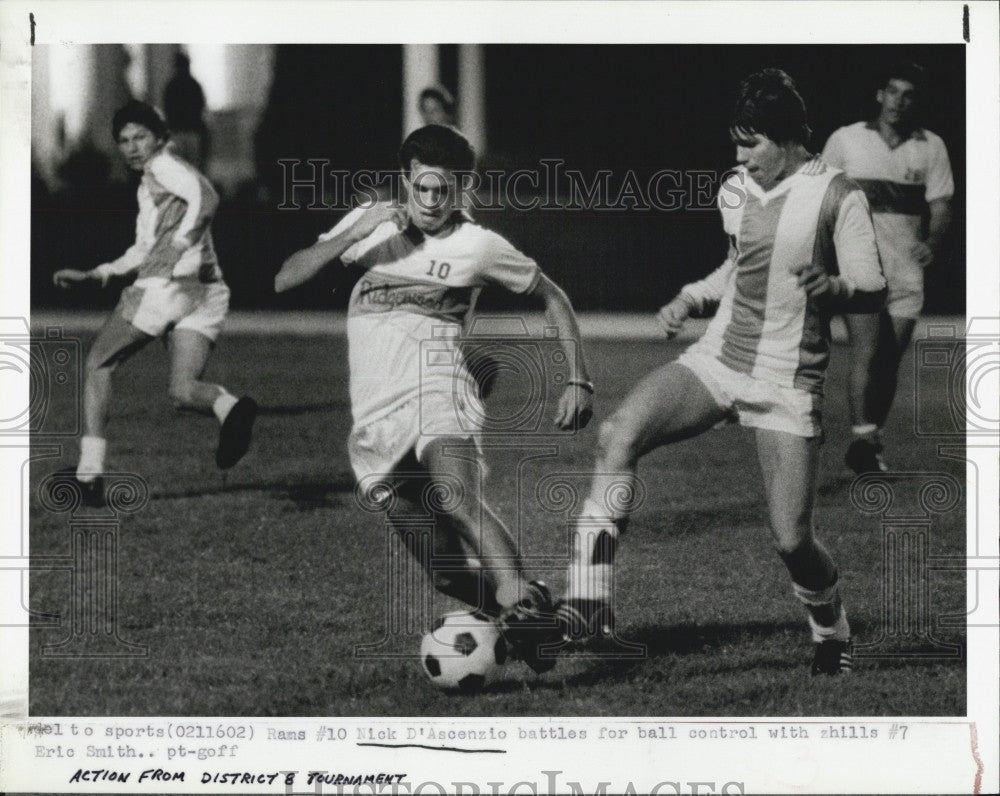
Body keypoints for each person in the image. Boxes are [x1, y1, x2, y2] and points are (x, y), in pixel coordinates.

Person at [556, 70, 886, 676]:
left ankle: (829, 625)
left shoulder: (839, 195)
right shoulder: (735, 189)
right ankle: (588, 599)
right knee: (618, 434)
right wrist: (690, 298)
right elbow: (738, 268)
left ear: (787, 139)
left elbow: (871, 283)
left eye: (751, 143)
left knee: (792, 541)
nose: (739, 156)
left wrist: (835, 284)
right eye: (736, 143)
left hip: (786, 380)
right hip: (718, 360)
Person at [275, 124, 593, 673]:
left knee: (456, 498)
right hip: (376, 424)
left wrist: (578, 379)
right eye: (420, 188)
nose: (430, 202)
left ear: (462, 188)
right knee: (444, 571)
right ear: (405, 181)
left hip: (441, 388)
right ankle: (530, 605)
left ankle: (526, 612)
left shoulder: (478, 246)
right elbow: (285, 279)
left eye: (443, 190)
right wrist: (355, 232)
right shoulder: (368, 228)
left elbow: (552, 295)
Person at [53, 101, 257, 507]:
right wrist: (101, 272)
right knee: (182, 390)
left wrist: (179, 245)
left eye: (139, 137)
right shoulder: (151, 183)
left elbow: (208, 197)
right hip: (207, 290)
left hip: (164, 289)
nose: (131, 147)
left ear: (160, 138)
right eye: (124, 140)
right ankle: (231, 407)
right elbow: (144, 248)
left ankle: (90, 476)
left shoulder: (164, 167)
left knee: (98, 364)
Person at [822, 61, 954, 474]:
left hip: (905, 273)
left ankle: (869, 437)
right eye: (893, 91)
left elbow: (941, 203)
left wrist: (931, 243)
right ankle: (863, 438)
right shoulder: (846, 139)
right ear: (880, 95)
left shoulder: (930, 145)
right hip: (859, 269)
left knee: (889, 360)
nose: (899, 100)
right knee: (867, 352)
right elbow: (822, 196)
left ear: (917, 101)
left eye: (908, 93)